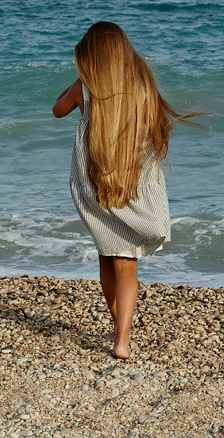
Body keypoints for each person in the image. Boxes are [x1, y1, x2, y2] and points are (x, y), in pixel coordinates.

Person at [53, 22, 189, 359]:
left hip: (96, 191)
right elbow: (156, 129)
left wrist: (78, 89)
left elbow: (57, 110)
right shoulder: (141, 88)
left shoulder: (85, 87)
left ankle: (117, 327)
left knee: (106, 259)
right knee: (127, 264)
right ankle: (122, 340)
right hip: (129, 191)